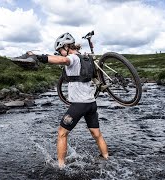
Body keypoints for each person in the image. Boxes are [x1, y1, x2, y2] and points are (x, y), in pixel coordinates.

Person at [24, 32, 109, 168]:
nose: (60, 53)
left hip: (79, 105)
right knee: (96, 133)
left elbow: (64, 60)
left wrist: (39, 57)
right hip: (91, 103)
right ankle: (106, 157)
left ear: (66, 47)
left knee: (62, 133)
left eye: (60, 50)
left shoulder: (73, 58)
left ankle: (61, 166)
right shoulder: (85, 57)